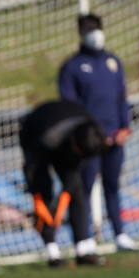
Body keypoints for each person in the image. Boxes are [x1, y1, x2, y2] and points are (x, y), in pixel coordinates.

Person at [58, 13, 136, 252]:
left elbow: (122, 97)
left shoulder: (113, 62)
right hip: (90, 141)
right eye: (89, 29)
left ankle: (120, 234)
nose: (94, 34)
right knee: (85, 187)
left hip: (116, 136)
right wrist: (94, 134)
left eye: (96, 28)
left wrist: (124, 127)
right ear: (81, 33)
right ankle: (85, 238)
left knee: (113, 186)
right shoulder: (72, 67)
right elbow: (71, 106)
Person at [19, 99, 109, 268]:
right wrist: (37, 197)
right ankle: (52, 253)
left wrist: (64, 198)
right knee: (45, 194)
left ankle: (83, 249)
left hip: (64, 132)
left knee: (77, 192)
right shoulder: (48, 138)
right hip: (34, 135)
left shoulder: (93, 132)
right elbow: (31, 168)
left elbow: (72, 177)